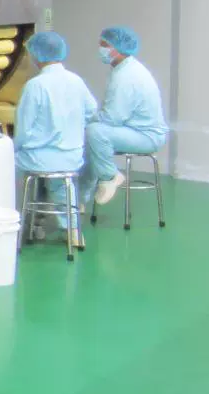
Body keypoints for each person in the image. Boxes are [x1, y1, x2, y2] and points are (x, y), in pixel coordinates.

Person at [14, 30, 98, 247]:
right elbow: (92, 111)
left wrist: (11, 148)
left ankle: (28, 223)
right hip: (72, 158)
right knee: (61, 185)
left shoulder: (36, 85)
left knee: (9, 165)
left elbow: (23, 129)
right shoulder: (76, 81)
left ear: (37, 55)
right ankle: (72, 230)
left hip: (39, 160)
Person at [87, 26, 169, 205]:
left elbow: (113, 118)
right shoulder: (124, 69)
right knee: (91, 139)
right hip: (134, 130)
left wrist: (89, 118)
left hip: (146, 136)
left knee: (94, 132)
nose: (101, 49)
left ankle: (110, 176)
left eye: (105, 45)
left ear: (118, 48)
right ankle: (81, 198)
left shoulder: (126, 76)